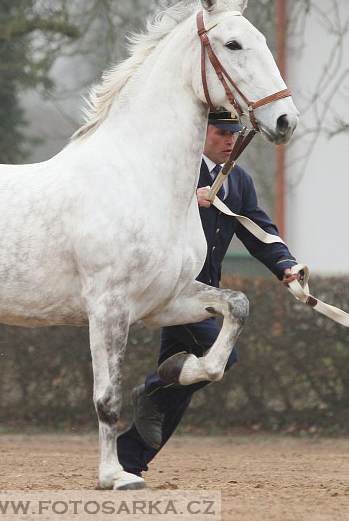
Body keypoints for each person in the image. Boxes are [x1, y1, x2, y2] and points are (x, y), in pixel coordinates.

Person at [117, 108, 301, 480]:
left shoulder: (240, 182)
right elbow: (138, 215)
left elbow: (258, 230)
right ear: (201, 133)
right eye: (220, 132)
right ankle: (150, 393)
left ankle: (128, 463)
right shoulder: (174, 174)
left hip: (202, 296)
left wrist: (286, 265)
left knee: (181, 384)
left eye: (233, 133)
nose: (229, 139)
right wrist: (186, 201)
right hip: (173, 291)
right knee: (221, 357)